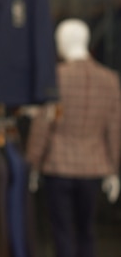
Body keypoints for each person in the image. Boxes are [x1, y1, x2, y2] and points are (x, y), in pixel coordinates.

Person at [26, 18, 121, 257]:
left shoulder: (56, 78)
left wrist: (33, 164)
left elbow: (43, 126)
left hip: (58, 166)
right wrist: (112, 169)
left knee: (62, 232)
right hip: (93, 166)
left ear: (62, 43)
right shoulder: (109, 80)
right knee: (87, 230)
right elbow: (114, 128)